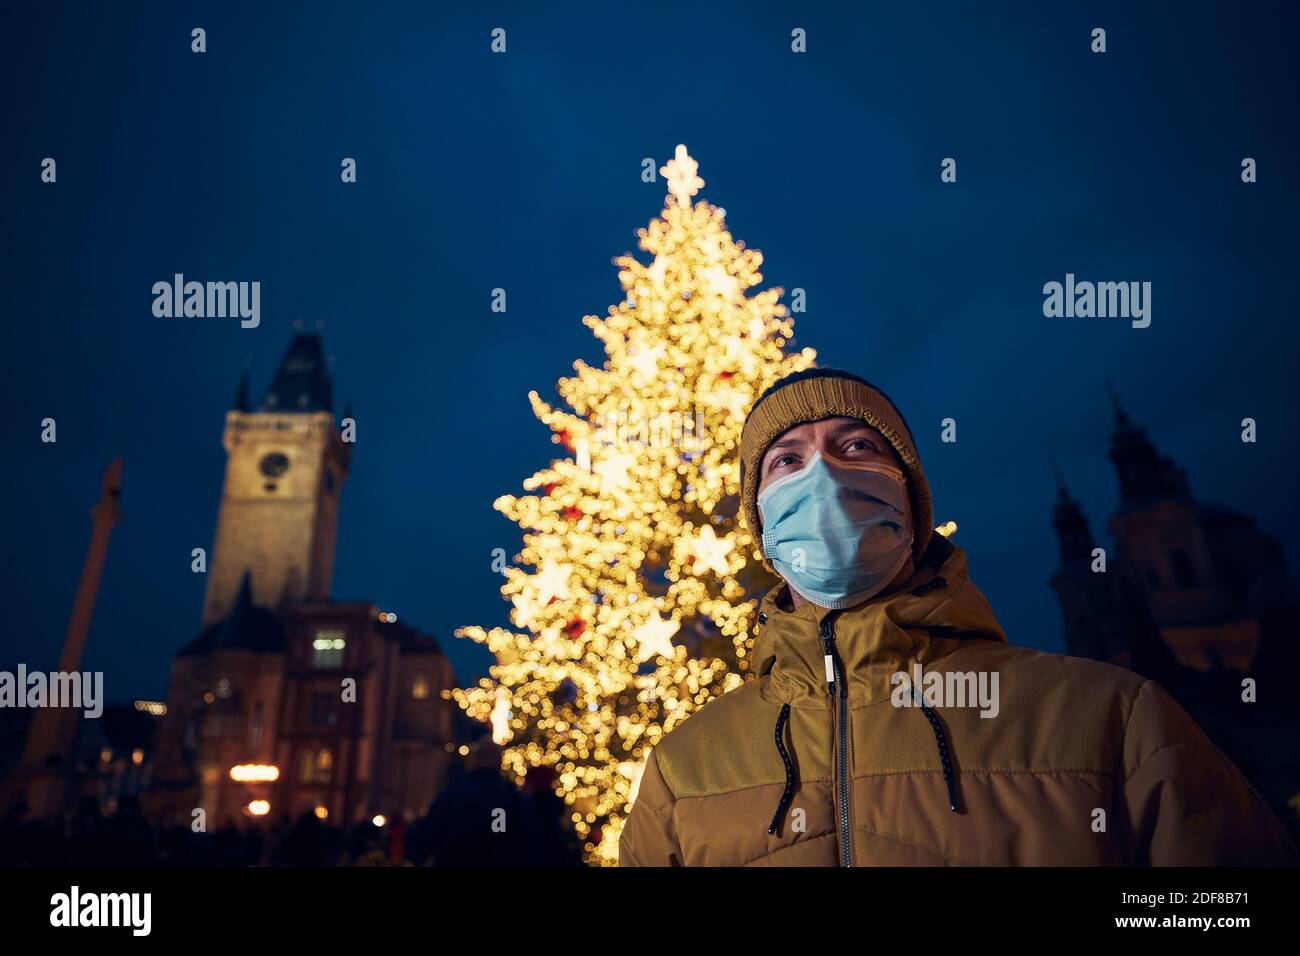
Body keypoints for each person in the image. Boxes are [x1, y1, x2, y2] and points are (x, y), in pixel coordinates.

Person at [619, 367, 1298, 866]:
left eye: (857, 447)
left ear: (911, 506)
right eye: (786, 461)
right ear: (761, 528)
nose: (822, 473)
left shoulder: (1114, 720)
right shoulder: (683, 771)